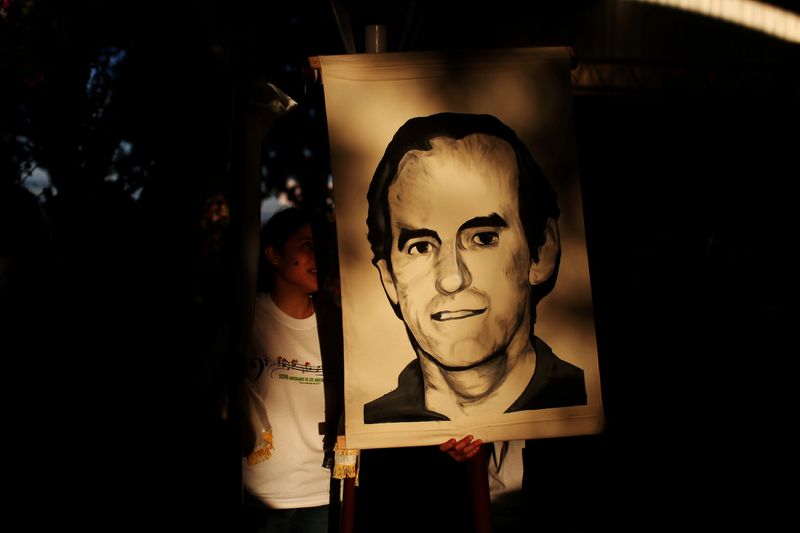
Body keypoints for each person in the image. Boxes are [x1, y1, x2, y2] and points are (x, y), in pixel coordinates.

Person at [363, 112, 586, 424]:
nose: (452, 279)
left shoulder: (582, 404)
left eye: (482, 238)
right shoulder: (376, 425)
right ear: (389, 278)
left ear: (541, 252)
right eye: (422, 246)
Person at [241, 206, 344, 533]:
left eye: (321, 247)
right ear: (273, 255)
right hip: (258, 494)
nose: (318, 256)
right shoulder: (247, 318)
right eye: (305, 245)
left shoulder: (337, 323)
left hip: (321, 492)